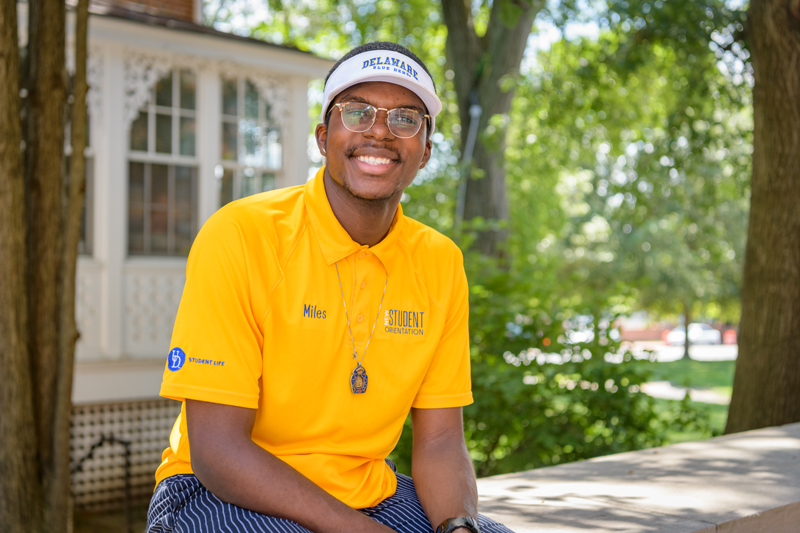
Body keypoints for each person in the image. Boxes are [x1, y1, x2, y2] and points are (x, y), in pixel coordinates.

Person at [147, 41, 514, 533]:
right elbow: (218, 451)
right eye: (357, 112)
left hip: (369, 491)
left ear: (425, 151)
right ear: (324, 137)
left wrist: (459, 528)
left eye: (406, 118)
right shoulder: (242, 235)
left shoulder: (440, 262)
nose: (380, 130)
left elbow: (440, 441)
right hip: (217, 490)